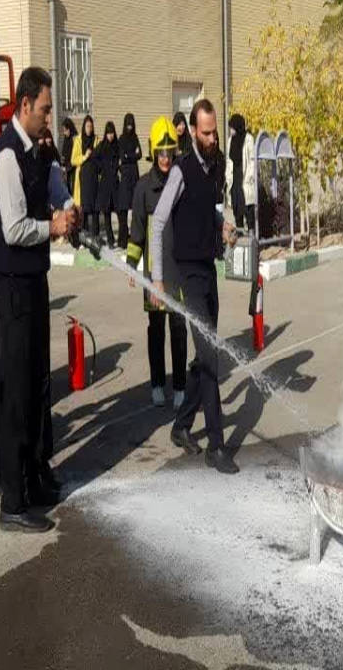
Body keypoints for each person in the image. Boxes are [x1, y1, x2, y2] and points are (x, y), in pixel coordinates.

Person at [0, 66, 79, 532]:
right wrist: (53, 228)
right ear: (23, 106)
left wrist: (68, 210)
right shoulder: (5, 158)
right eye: (43, 109)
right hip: (12, 293)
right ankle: (12, 502)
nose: (48, 117)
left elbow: (55, 192)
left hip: (34, 286)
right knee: (15, 395)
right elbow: (16, 228)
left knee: (38, 387)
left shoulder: (37, 153)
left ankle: (36, 477)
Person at [150, 99, 239, 475]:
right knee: (211, 357)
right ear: (193, 132)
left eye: (215, 131)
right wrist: (156, 280)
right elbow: (157, 223)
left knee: (207, 355)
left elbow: (210, 207)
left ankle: (182, 425)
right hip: (187, 277)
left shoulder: (214, 166)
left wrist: (223, 225)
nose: (213, 137)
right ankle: (216, 447)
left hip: (209, 269)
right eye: (206, 132)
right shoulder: (181, 171)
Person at [126, 117, 188, 409]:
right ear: (153, 152)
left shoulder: (181, 182)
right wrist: (131, 265)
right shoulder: (142, 188)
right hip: (154, 272)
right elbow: (137, 230)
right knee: (156, 329)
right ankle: (157, 384)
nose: (165, 158)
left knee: (179, 328)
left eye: (169, 152)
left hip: (179, 271)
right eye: (161, 152)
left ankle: (180, 386)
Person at [117, 113, 142, 247]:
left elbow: (140, 154)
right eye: (128, 124)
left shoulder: (136, 137)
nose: (130, 126)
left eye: (131, 124)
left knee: (135, 207)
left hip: (134, 175)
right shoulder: (121, 139)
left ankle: (135, 237)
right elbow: (123, 156)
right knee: (124, 208)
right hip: (126, 176)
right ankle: (123, 239)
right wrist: (132, 155)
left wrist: (129, 156)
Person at [95, 121, 120, 247]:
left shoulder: (117, 145)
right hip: (105, 183)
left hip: (115, 183)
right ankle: (111, 241)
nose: (110, 136)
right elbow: (94, 157)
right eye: (108, 133)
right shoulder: (102, 146)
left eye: (112, 133)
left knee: (119, 211)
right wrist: (102, 168)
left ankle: (121, 238)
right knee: (106, 213)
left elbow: (121, 159)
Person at [70, 114, 96, 221]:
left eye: (91, 126)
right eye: (87, 126)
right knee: (83, 207)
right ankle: (83, 231)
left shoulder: (96, 139)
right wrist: (85, 156)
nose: (89, 129)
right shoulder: (78, 140)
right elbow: (73, 160)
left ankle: (95, 233)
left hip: (93, 177)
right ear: (84, 127)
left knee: (94, 207)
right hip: (82, 176)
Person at [228, 113, 249, 229]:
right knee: (237, 209)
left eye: (232, 127)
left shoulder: (247, 139)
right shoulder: (231, 141)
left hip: (244, 178)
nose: (230, 130)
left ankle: (251, 237)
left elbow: (250, 161)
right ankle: (240, 235)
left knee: (246, 208)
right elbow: (229, 160)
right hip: (234, 180)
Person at [59, 117, 76, 190]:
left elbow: (75, 155)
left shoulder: (75, 139)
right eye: (63, 131)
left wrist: (67, 167)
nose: (64, 133)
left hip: (73, 170)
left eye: (66, 130)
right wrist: (62, 165)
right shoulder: (66, 139)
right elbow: (64, 153)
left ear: (70, 129)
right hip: (67, 170)